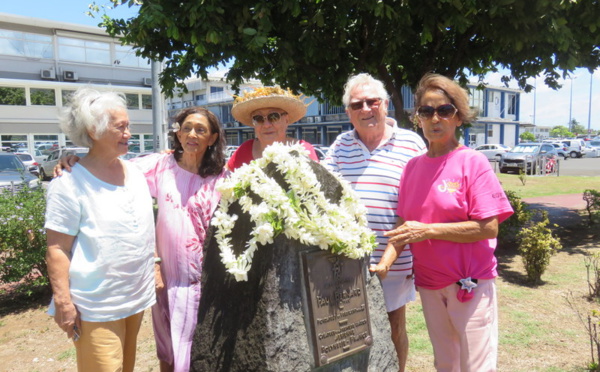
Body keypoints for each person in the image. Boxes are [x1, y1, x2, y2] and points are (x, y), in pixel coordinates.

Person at [55, 107, 227, 372]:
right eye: (186, 128)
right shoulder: (159, 166)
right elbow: (106, 167)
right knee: (167, 350)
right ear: (178, 134)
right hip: (166, 280)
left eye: (201, 130)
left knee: (202, 352)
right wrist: (74, 161)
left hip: (205, 283)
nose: (192, 134)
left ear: (213, 138)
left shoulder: (223, 178)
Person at [376, 73, 514, 371]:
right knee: (446, 363)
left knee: (475, 364)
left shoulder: (471, 162)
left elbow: (488, 226)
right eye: (426, 111)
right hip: (429, 283)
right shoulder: (412, 167)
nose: (434, 118)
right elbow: (403, 226)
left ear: (458, 117)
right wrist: (384, 265)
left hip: (470, 282)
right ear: (418, 119)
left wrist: (429, 230)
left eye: (444, 110)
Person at [45, 87, 157, 372]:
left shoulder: (136, 172)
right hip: (96, 304)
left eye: (128, 126)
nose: (128, 133)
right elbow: (57, 248)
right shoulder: (69, 182)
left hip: (134, 297)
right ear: (93, 131)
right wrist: (63, 302)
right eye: (120, 127)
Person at [323, 73, 427, 371]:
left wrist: (391, 255)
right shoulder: (341, 145)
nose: (366, 109)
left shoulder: (411, 143)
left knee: (394, 326)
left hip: (395, 258)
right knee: (350, 329)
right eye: (358, 104)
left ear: (384, 105)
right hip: (349, 261)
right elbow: (323, 190)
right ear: (348, 113)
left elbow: (420, 202)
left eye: (373, 101)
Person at [227, 86, 319, 170]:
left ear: (286, 120)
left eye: (274, 117)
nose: (266, 125)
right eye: (258, 119)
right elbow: (223, 183)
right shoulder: (244, 150)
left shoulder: (303, 150)